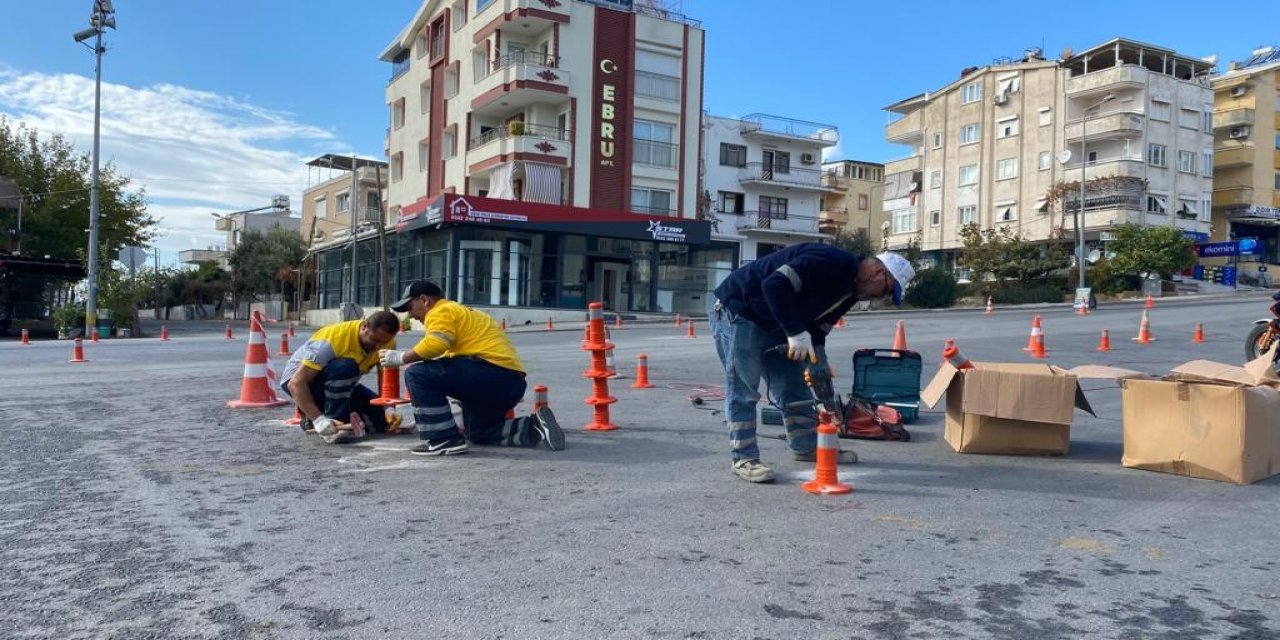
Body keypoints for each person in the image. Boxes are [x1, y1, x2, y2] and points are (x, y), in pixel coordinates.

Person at [708, 244, 916, 483]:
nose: (882, 297)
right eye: (887, 291)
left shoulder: (851, 292)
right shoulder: (829, 260)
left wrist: (818, 359)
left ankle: (806, 448)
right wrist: (795, 332)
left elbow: (820, 326)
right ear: (878, 274)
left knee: (794, 386)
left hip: (775, 320)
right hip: (740, 311)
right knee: (744, 388)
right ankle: (744, 458)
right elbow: (774, 285)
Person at [377, 280, 564, 456]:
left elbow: (436, 344)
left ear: (425, 300)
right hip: (510, 382)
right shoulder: (466, 313)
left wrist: (401, 357)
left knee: (418, 374)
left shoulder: (440, 310)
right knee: (479, 432)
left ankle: (442, 439)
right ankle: (534, 426)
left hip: (489, 373)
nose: (411, 315)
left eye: (410, 308)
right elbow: (452, 358)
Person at [280, 311, 401, 445]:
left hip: (342, 382)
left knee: (380, 422)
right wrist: (319, 420)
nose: (378, 347)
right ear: (364, 326)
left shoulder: (387, 342)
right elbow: (295, 384)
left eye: (383, 342)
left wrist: (389, 409)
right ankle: (330, 423)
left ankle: (313, 415)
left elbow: (386, 381)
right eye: (375, 340)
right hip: (301, 384)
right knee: (346, 366)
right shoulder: (332, 340)